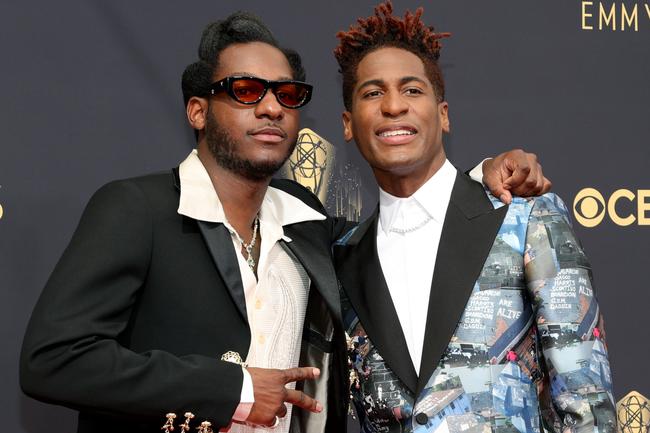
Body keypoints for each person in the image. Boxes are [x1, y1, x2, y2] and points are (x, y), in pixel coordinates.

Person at [20, 10, 549, 433]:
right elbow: (53, 360)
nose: (271, 107)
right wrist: (236, 389)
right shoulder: (138, 208)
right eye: (246, 91)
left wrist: (483, 177)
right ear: (199, 111)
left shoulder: (310, 225)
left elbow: (413, 213)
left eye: (288, 94)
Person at [332, 3, 616, 433]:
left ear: (443, 115)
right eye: (373, 93)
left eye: (412, 90)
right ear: (349, 124)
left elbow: (587, 406)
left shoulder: (524, 218)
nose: (393, 106)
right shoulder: (340, 258)